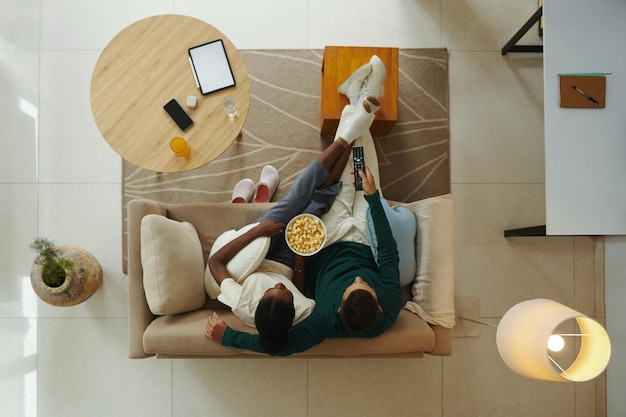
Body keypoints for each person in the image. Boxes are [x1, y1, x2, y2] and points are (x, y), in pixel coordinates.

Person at [206, 55, 403, 356]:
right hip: (365, 237)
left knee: (338, 185)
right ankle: (357, 102)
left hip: (327, 239)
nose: (358, 277)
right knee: (362, 175)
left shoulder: (322, 320)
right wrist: (374, 198)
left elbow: (276, 346)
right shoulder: (389, 305)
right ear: (378, 303)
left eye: (353, 284)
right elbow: (388, 253)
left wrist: (227, 337)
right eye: (364, 283)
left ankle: (357, 103)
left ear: (338, 307)